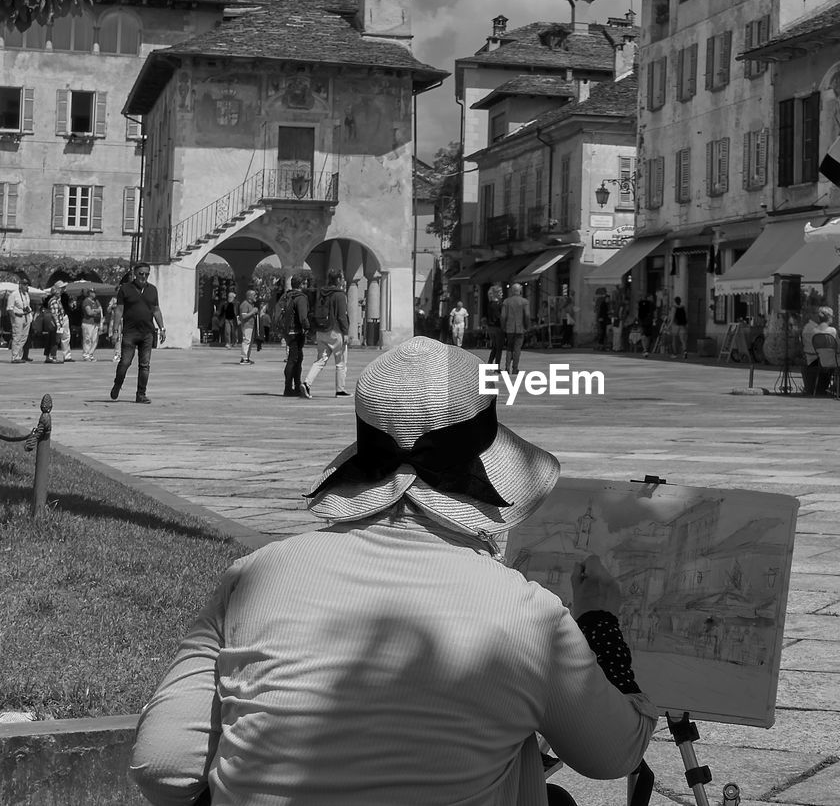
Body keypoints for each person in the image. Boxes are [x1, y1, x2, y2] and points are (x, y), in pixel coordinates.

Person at [129, 337, 657, 806]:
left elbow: (165, 768)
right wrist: (599, 624)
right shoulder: (526, 613)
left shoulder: (257, 576)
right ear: (484, 487)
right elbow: (614, 756)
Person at [111, 263, 165, 404]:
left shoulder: (152, 290)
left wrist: (162, 328)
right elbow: (119, 310)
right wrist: (115, 331)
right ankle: (118, 384)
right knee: (125, 362)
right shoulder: (125, 289)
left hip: (147, 333)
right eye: (141, 273)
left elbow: (156, 310)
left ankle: (141, 394)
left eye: (146, 274)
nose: (144, 276)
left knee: (145, 365)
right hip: (130, 332)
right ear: (135, 274)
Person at [303, 270, 351, 399]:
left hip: (321, 330)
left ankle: (307, 383)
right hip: (335, 332)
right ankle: (340, 390)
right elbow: (342, 316)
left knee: (320, 360)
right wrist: (345, 332)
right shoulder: (339, 295)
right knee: (340, 362)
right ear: (339, 280)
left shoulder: (322, 293)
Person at [278, 276, 310, 397]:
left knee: (297, 358)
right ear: (301, 284)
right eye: (305, 282)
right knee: (294, 359)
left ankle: (296, 385)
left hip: (287, 331)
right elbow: (303, 316)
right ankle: (288, 388)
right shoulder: (300, 298)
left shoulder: (286, 295)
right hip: (296, 332)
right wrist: (307, 327)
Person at [501, 282, 531, 373]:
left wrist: (503, 326)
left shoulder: (506, 301)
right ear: (520, 291)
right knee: (517, 348)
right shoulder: (524, 302)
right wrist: (527, 326)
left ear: (512, 291)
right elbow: (527, 314)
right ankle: (515, 368)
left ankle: (507, 367)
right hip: (520, 328)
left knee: (509, 347)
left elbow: (503, 316)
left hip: (509, 328)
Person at [44, 282, 73, 363]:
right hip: (56, 323)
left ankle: (49, 357)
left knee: (52, 339)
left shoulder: (57, 300)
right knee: (54, 340)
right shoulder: (54, 301)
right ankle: (53, 357)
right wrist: (58, 325)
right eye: (59, 290)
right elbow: (55, 314)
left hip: (56, 323)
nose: (60, 292)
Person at [8, 278, 33, 364]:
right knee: (17, 337)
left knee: (24, 337)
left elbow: (28, 305)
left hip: (26, 316)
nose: (26, 286)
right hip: (17, 317)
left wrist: (30, 314)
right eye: (24, 284)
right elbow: (9, 308)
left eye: (27, 284)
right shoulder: (14, 295)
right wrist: (14, 319)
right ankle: (15, 357)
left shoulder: (26, 295)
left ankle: (19, 355)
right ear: (20, 285)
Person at [238, 289, 261, 365]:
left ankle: (247, 357)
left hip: (251, 325)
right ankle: (244, 358)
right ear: (249, 296)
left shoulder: (251, 304)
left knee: (249, 342)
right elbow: (243, 316)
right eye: (254, 295)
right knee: (246, 341)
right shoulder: (245, 304)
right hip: (247, 325)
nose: (256, 297)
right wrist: (253, 312)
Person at [80, 292, 103, 361]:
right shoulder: (86, 301)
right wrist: (96, 311)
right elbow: (89, 312)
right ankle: (86, 355)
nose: (95, 293)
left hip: (95, 322)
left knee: (95, 339)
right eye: (93, 292)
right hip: (88, 323)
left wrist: (94, 310)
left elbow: (100, 309)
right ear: (89, 293)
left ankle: (91, 354)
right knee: (87, 339)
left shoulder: (96, 301)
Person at [485, 285, 504, 365]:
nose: (502, 294)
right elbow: (499, 317)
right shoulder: (498, 304)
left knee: (495, 347)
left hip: (490, 328)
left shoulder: (489, 304)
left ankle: (489, 363)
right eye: (500, 292)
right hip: (497, 328)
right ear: (496, 294)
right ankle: (497, 366)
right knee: (499, 347)